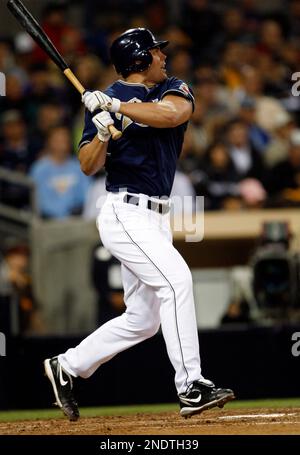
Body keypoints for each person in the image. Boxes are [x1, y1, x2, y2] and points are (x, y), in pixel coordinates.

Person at [44, 27, 235, 421]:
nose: (163, 56)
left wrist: (117, 108)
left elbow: (172, 115)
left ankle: (68, 365)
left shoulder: (170, 88)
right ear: (139, 59)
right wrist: (100, 134)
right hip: (124, 212)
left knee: (143, 319)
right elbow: (87, 165)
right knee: (177, 281)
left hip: (157, 216)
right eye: (155, 51)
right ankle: (191, 387)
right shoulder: (102, 102)